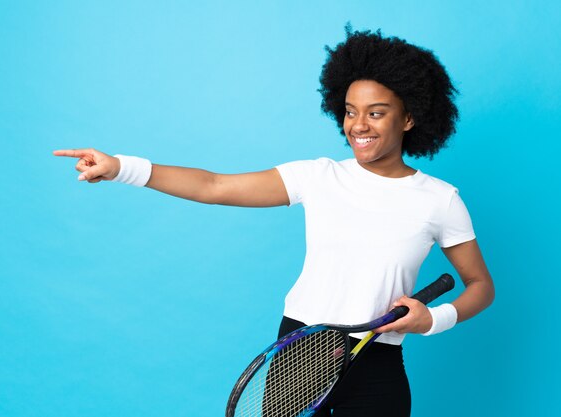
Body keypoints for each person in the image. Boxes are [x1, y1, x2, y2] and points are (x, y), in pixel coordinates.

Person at [54, 27, 494, 417]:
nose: (358, 125)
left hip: (379, 366)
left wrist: (431, 320)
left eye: (376, 112)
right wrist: (121, 168)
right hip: (299, 352)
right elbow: (213, 186)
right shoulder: (319, 176)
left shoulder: (440, 200)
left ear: (410, 117)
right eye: (349, 110)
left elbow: (480, 286)